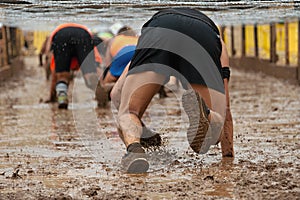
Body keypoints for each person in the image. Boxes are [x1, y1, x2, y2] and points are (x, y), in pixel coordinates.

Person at [110, 8, 234, 173]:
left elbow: (116, 94)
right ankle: (206, 114)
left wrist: (135, 123)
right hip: (202, 35)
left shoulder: (159, 25)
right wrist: (228, 159)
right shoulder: (219, 41)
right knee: (215, 128)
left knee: (128, 112)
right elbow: (226, 107)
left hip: (159, 28)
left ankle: (134, 150)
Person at [45, 23, 103, 109]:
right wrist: (102, 85)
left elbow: (54, 75)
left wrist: (52, 97)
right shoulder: (85, 52)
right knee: (90, 75)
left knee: (61, 76)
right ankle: (102, 99)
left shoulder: (57, 54)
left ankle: (62, 97)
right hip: (83, 34)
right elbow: (98, 68)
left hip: (61, 35)